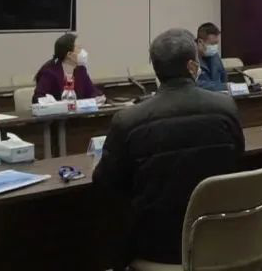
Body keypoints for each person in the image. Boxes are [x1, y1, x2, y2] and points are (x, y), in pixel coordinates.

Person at [92, 29, 244, 267]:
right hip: (219, 235)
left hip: (157, 245)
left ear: (156, 69)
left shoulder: (128, 120)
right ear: (192, 66)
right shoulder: (226, 107)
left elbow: (105, 182)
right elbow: (238, 156)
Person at [33, 32, 101, 102]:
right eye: (79, 48)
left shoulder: (81, 70)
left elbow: (92, 91)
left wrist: (98, 97)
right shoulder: (50, 72)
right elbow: (37, 98)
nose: (83, 51)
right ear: (69, 54)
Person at [196, 22, 228, 91]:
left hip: (220, 95)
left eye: (216, 43)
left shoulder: (214, 55)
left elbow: (224, 77)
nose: (215, 47)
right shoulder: (190, 58)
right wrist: (225, 86)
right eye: (212, 44)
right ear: (200, 42)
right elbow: (196, 84)